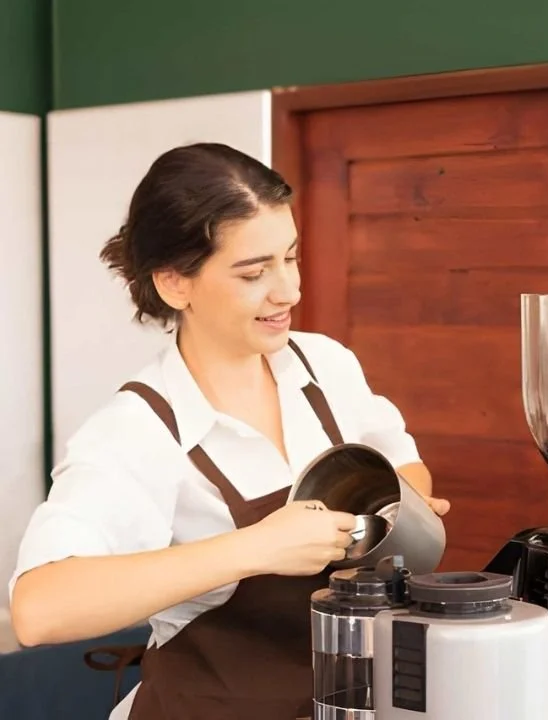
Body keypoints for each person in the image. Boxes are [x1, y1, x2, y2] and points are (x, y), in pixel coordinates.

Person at [9, 143, 450, 719]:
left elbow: (403, 465)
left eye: (290, 258)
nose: (288, 290)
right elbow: (39, 610)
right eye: (253, 271)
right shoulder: (138, 430)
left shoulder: (324, 365)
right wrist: (254, 548)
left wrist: (398, 517)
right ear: (174, 284)